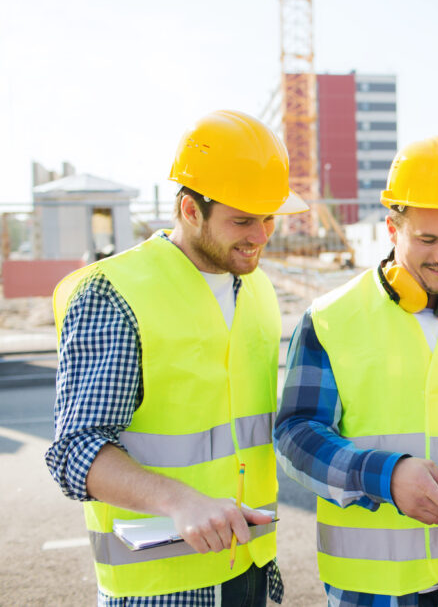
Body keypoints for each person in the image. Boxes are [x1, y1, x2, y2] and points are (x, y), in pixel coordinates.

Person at [45, 109, 308, 606]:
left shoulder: (259, 290)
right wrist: (177, 499)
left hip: (245, 566)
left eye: (269, 217)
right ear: (191, 210)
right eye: (243, 220)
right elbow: (73, 452)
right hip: (158, 586)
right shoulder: (115, 293)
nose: (261, 236)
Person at [274, 136, 438, 607]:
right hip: (368, 586)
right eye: (428, 239)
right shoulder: (331, 318)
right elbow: (296, 434)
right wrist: (386, 477)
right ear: (392, 229)